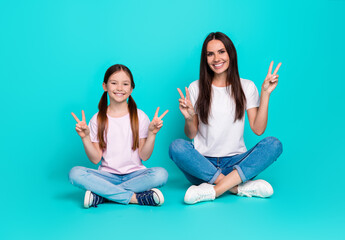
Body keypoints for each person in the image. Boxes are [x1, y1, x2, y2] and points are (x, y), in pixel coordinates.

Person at [169, 32, 283, 204]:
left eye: (221, 52)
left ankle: (213, 190)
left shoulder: (247, 86)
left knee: (274, 144)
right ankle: (237, 188)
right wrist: (189, 117)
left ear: (230, 54)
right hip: (202, 165)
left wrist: (265, 93)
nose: (216, 58)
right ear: (205, 59)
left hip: (236, 164)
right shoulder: (195, 87)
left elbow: (258, 129)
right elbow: (191, 134)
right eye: (210, 54)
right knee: (176, 147)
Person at [69, 64, 169, 208]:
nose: (120, 88)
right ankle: (134, 198)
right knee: (75, 173)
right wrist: (85, 138)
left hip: (135, 175)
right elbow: (95, 159)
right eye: (114, 83)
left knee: (161, 174)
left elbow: (145, 156)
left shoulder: (140, 116)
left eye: (125, 84)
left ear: (131, 88)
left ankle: (103, 195)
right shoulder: (97, 119)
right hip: (106, 177)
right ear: (105, 86)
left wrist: (152, 134)